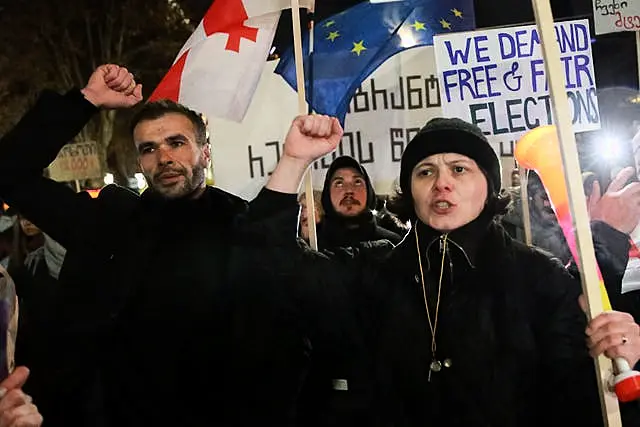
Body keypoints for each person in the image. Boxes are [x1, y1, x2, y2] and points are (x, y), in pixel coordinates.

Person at [254, 115, 640, 426]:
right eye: (425, 172)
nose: (442, 184)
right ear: (409, 189)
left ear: (488, 187)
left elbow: (576, 401)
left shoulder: (540, 278)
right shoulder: (369, 270)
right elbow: (270, 269)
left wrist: (614, 358)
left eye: (459, 169)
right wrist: (294, 161)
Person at [0, 64, 318, 426]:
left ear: (205, 152)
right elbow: (9, 171)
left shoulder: (243, 226)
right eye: (149, 149)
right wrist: (85, 101)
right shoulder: (110, 223)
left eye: (177, 143)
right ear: (140, 161)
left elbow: (286, 331)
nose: (164, 157)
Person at [317, 156, 401, 250]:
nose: (349, 190)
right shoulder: (313, 248)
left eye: (357, 182)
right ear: (328, 194)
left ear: (368, 191)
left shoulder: (394, 245)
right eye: (339, 183)